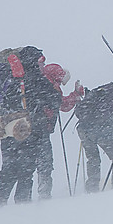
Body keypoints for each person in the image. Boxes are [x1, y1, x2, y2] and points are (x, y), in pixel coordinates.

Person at [0, 46, 62, 206]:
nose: (41, 65)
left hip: (9, 132)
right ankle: (22, 207)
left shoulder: (11, 78)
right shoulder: (36, 79)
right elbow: (54, 100)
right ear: (33, 61)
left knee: (7, 171)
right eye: (39, 61)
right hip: (30, 132)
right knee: (25, 172)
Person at [74, 82, 113, 191]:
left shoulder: (98, 94)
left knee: (93, 159)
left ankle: (92, 188)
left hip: (83, 129)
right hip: (99, 131)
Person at [38, 63, 84, 199]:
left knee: (28, 165)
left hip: (32, 128)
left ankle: (23, 198)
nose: (61, 83)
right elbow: (62, 105)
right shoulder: (50, 85)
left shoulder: (40, 83)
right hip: (42, 129)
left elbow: (61, 104)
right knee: (45, 163)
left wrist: (74, 95)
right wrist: (75, 95)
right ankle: (44, 195)